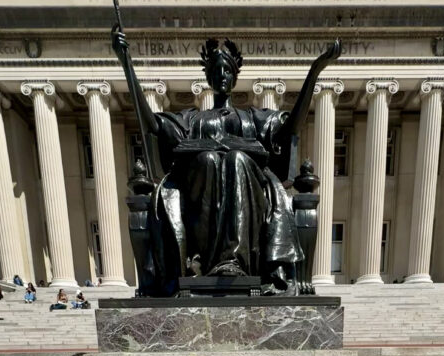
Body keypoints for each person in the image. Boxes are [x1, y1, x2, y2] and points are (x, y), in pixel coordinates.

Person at [112, 31, 341, 295]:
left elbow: (291, 127)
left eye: (227, 70)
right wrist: (127, 65)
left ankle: (234, 262)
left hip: (247, 184)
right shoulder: (192, 120)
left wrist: (315, 71)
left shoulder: (252, 118)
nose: (222, 75)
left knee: (237, 159)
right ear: (208, 77)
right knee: (208, 159)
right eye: (216, 70)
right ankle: (204, 263)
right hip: (199, 190)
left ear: (234, 76)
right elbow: (153, 125)